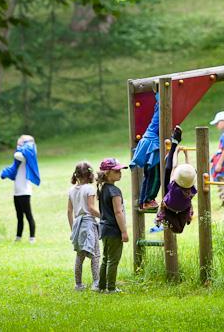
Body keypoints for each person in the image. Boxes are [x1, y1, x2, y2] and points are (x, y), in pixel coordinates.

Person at [0, 134, 41, 243]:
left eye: (21, 142)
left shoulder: (25, 156)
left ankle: (32, 238)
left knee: (28, 215)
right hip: (17, 192)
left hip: (25, 192)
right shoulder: (19, 160)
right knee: (19, 217)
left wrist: (20, 147)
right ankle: (18, 237)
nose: (18, 145)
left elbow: (18, 154)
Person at [97, 158, 129, 293]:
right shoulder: (114, 191)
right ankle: (111, 288)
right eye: (116, 171)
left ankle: (101, 286)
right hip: (114, 230)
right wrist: (124, 231)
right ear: (108, 173)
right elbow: (118, 211)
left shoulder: (102, 188)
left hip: (104, 228)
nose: (120, 173)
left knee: (105, 259)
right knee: (113, 260)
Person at [68, 162, 101, 291]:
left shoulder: (71, 190)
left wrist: (73, 228)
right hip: (88, 224)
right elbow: (92, 209)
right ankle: (96, 283)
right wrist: (104, 217)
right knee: (95, 254)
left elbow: (69, 211)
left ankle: (78, 284)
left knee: (80, 255)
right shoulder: (89, 189)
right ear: (90, 174)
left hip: (77, 223)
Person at [130, 92, 161, 210]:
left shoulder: (158, 107)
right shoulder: (162, 107)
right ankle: (148, 200)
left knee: (148, 175)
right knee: (155, 175)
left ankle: (143, 201)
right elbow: (162, 98)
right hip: (152, 143)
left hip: (148, 140)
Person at [155, 163, 197, 234]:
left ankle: (161, 217)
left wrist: (176, 152)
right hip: (174, 208)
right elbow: (190, 172)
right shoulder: (192, 190)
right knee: (179, 229)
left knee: (179, 229)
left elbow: (174, 166)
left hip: (174, 208)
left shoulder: (174, 186)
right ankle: (161, 217)